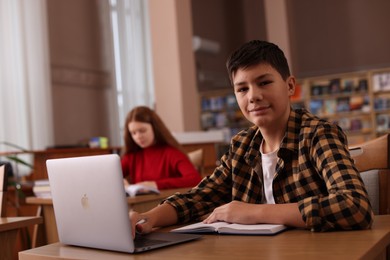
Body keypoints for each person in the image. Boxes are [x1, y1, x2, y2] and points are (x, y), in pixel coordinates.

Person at [129, 40, 374, 236]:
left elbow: (355, 206)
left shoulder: (318, 135)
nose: (253, 96)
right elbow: (198, 198)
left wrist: (255, 213)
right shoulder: (242, 145)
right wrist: (147, 218)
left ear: (290, 86)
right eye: (242, 89)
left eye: (264, 82)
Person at [121, 106, 202, 190]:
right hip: (140, 202)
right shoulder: (131, 156)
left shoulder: (171, 153)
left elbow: (195, 180)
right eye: (133, 133)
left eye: (142, 131)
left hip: (168, 201)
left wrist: (155, 185)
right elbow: (110, 177)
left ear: (155, 128)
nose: (138, 136)